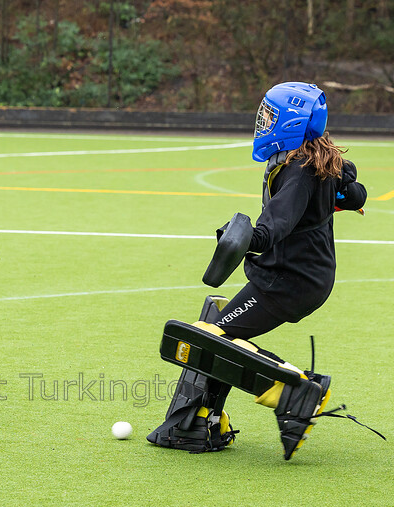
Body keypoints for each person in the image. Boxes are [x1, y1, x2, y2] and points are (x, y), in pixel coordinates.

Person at [149, 82, 367, 458]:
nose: (263, 122)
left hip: (288, 281)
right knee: (219, 335)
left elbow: (273, 229)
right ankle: (206, 423)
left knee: (213, 339)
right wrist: (344, 198)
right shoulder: (315, 157)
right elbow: (354, 190)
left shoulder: (298, 172)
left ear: (292, 123)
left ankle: (296, 393)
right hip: (303, 276)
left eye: (270, 116)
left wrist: (243, 236)